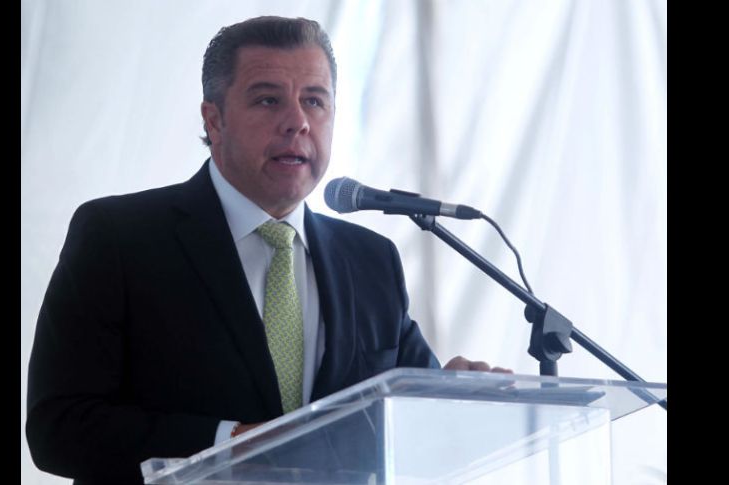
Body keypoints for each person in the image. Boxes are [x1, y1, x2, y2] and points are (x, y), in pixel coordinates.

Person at [26, 16, 510, 485]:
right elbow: (58, 427)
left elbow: (409, 417)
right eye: (268, 100)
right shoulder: (120, 238)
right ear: (214, 120)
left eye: (314, 101)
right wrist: (230, 443)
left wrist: (453, 399)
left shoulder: (371, 261)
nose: (297, 122)